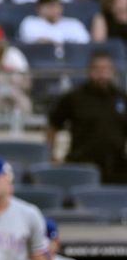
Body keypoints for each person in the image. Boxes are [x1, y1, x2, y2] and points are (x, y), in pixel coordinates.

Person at [47, 50, 127, 184]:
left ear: (112, 71)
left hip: (116, 165)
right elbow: (53, 125)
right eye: (97, 69)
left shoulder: (122, 98)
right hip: (81, 164)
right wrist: (51, 155)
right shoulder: (74, 98)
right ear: (89, 71)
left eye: (106, 69)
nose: (102, 73)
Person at [18, 0, 90, 45]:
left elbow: (85, 45)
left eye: (57, 5)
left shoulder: (74, 24)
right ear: (38, 8)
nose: (54, 9)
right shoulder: (30, 23)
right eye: (50, 5)